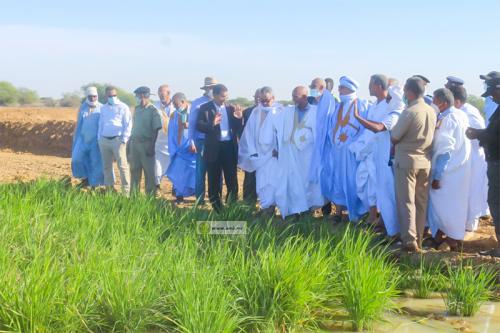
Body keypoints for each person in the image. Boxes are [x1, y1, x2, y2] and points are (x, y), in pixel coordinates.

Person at [352, 76, 403, 237]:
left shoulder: (394, 111)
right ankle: (381, 221)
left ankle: (393, 229)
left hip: (385, 156)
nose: (368, 88)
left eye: (370, 85)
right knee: (372, 188)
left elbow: (378, 128)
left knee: (386, 192)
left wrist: (357, 117)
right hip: (372, 153)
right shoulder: (375, 105)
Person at [391, 77, 436, 252]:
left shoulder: (410, 111)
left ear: (409, 91)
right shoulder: (431, 110)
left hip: (407, 161)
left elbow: (395, 136)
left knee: (406, 202)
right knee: (421, 202)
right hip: (425, 160)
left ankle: (409, 241)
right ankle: (419, 239)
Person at [428, 88, 471, 250]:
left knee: (444, 206)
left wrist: (438, 176)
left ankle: (452, 239)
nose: (433, 103)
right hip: (460, 169)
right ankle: (441, 236)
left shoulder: (448, 119)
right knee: (454, 205)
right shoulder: (460, 114)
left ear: (444, 103)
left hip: (448, 171)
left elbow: (445, 150)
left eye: (435, 101)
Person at [274, 86, 324, 218]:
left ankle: (308, 209)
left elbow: (319, 134)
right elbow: (277, 125)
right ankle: (294, 209)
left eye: (295, 96)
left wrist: (306, 136)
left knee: (306, 182)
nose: (293, 99)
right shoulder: (288, 111)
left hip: (307, 155)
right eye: (292, 96)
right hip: (290, 154)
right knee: (292, 182)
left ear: (304, 97)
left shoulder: (315, 112)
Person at [466, 72, 500, 257]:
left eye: (493, 93)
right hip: (494, 161)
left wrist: (479, 134)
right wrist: (481, 134)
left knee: (496, 202)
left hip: (498, 163)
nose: (492, 98)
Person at [327, 76, 370, 222]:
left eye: (342, 88)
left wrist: (354, 145)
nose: (339, 90)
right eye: (339, 87)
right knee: (338, 179)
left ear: (350, 89)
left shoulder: (362, 105)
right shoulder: (339, 106)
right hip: (338, 151)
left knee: (352, 181)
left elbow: (366, 129)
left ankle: (356, 213)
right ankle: (338, 212)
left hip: (352, 153)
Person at [196, 84, 243, 211]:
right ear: (215, 95)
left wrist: (239, 118)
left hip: (228, 147)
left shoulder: (230, 108)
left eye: (227, 96)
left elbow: (237, 127)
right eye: (223, 96)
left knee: (231, 177)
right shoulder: (205, 108)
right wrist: (212, 124)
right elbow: (199, 126)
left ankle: (232, 203)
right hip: (213, 148)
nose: (225, 98)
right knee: (214, 178)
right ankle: (216, 206)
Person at [450, 85, 489, 231]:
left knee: (473, 190)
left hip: (474, 157)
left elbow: (481, 134)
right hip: (465, 157)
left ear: (458, 101)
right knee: (465, 190)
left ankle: (472, 223)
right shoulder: (460, 111)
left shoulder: (470, 112)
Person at [238, 87, 282, 215]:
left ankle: (272, 208)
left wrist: (279, 150)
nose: (264, 103)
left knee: (273, 181)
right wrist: (253, 152)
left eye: (267, 100)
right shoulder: (256, 112)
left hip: (274, 155)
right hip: (260, 154)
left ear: (273, 99)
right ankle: (265, 206)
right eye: (261, 100)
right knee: (261, 181)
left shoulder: (280, 112)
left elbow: (284, 134)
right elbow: (249, 134)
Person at [307, 77, 337, 217]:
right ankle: (314, 206)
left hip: (326, 146)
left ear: (321, 87)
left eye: (313, 86)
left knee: (326, 176)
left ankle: (327, 210)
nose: (311, 88)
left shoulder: (330, 101)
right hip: (314, 146)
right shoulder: (312, 100)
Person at [188, 77, 218, 204]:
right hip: (202, 141)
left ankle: (215, 198)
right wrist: (191, 141)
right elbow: (192, 124)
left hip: (216, 141)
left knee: (216, 170)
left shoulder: (220, 103)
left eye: (213, 88)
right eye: (209, 88)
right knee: (201, 170)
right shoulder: (198, 103)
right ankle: (200, 199)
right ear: (206, 89)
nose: (211, 90)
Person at [128, 86, 162, 196]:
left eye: (140, 96)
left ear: (145, 96)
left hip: (147, 144)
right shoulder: (137, 109)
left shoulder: (153, 110)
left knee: (149, 173)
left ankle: (150, 197)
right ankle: (134, 197)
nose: (139, 98)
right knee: (134, 171)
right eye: (138, 96)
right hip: (135, 144)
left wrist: (151, 146)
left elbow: (156, 129)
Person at [98, 86, 132, 195]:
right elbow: (101, 123)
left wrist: (124, 139)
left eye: (114, 95)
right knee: (107, 166)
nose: (112, 97)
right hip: (104, 140)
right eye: (110, 96)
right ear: (106, 96)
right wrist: (99, 138)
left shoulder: (123, 107)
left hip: (118, 140)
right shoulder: (103, 108)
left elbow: (128, 124)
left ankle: (126, 192)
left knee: (122, 166)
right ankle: (109, 188)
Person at [72, 86, 104, 188]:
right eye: (90, 96)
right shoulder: (83, 107)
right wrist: (76, 138)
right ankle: (84, 178)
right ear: (87, 96)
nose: (93, 98)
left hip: (95, 140)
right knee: (76, 159)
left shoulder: (102, 108)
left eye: (94, 96)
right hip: (82, 139)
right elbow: (79, 123)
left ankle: (94, 185)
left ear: (97, 96)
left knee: (95, 162)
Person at [166, 93, 196, 203]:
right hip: (179, 149)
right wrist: (173, 148)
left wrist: (194, 144)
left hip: (191, 149)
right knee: (179, 172)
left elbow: (197, 131)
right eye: (173, 104)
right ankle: (179, 196)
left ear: (183, 102)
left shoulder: (194, 112)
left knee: (193, 172)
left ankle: (196, 194)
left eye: (176, 104)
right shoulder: (174, 115)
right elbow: (171, 133)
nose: (175, 106)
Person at [241, 89, 261, 204]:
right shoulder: (247, 111)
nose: (258, 99)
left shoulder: (271, 111)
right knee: (249, 175)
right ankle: (248, 200)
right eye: (256, 97)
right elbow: (242, 130)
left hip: (265, 150)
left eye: (260, 97)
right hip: (250, 148)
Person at [154, 84, 173, 189]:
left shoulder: (176, 105)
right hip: (159, 141)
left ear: (169, 93)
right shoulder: (154, 107)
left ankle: (176, 188)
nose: (161, 96)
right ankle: (157, 186)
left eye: (163, 94)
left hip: (174, 142)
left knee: (175, 166)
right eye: (159, 94)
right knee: (157, 165)